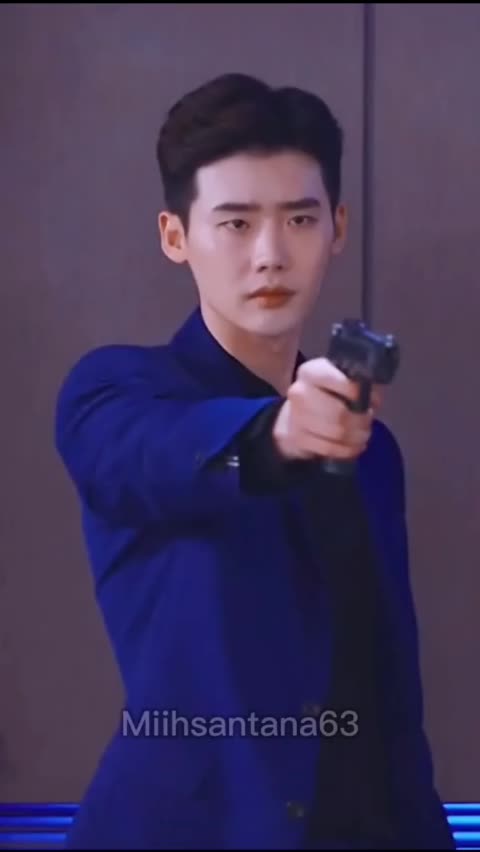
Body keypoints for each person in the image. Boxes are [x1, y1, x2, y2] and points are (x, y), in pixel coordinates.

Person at [54, 72, 455, 850]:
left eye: (299, 219)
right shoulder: (115, 390)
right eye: (235, 223)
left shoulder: (372, 450)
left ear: (337, 227)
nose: (270, 255)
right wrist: (276, 434)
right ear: (176, 236)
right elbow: (150, 454)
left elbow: (388, 700)